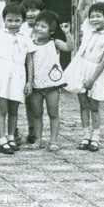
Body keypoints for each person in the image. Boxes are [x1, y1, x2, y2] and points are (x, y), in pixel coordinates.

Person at [62, 2, 104, 152]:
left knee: (94, 106)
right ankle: (85, 135)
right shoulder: (88, 30)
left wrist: (92, 79)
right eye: (92, 16)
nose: (94, 19)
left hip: (96, 73)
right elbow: (80, 10)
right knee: (83, 104)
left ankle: (96, 136)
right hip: (82, 68)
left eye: (98, 16)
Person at [0, 2, 32, 154]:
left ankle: (11, 137)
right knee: (2, 108)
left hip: (18, 74)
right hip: (2, 73)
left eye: (17, 20)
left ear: (23, 21)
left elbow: (29, 60)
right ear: (4, 20)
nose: (13, 24)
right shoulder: (0, 33)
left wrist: (30, 81)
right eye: (9, 20)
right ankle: (2, 140)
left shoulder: (26, 38)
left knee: (14, 109)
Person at [25, 10, 67, 151]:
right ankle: (38, 140)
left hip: (52, 85)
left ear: (51, 31)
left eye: (43, 27)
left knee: (53, 113)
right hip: (36, 85)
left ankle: (53, 141)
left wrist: (67, 33)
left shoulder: (54, 43)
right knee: (36, 114)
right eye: (37, 25)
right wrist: (29, 82)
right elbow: (29, 64)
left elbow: (70, 47)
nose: (38, 28)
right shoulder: (30, 44)